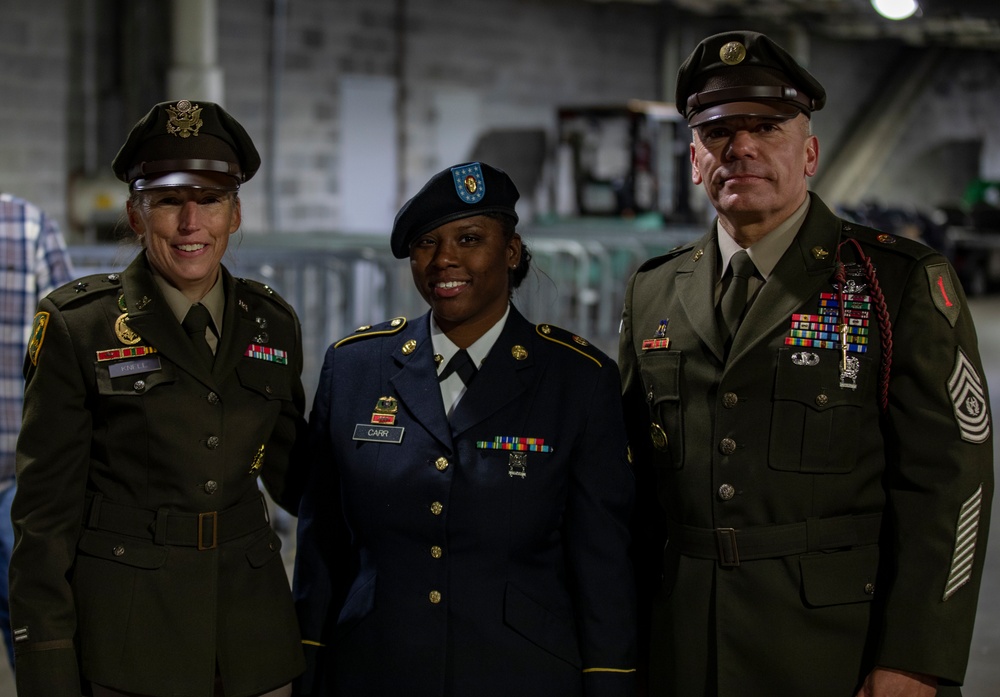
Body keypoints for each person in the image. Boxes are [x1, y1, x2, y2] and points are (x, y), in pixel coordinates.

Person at [618, 30, 993, 697]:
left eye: (767, 126)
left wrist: (916, 655)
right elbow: (632, 489)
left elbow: (950, 486)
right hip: (682, 642)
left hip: (831, 650)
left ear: (810, 151)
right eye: (718, 131)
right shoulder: (654, 289)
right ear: (694, 157)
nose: (742, 147)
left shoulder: (893, 280)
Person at [293, 161, 636, 696]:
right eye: (426, 243)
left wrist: (610, 682)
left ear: (512, 251)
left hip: (522, 676)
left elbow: (603, 563)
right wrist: (308, 666)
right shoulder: (356, 367)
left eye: (470, 239)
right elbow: (322, 547)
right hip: (376, 671)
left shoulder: (577, 380)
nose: (445, 259)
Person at [9, 100, 307, 697]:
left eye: (212, 199)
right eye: (170, 201)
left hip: (254, 640)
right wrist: (47, 664)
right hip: (130, 643)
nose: (192, 223)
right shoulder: (80, 327)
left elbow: (300, 478)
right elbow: (44, 524)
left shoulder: (271, 322)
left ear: (236, 212)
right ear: (136, 215)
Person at [0, 192, 75, 669]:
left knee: (36, 635)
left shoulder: (28, 228)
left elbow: (73, 342)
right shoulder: (26, 225)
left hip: (18, 484)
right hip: (20, 476)